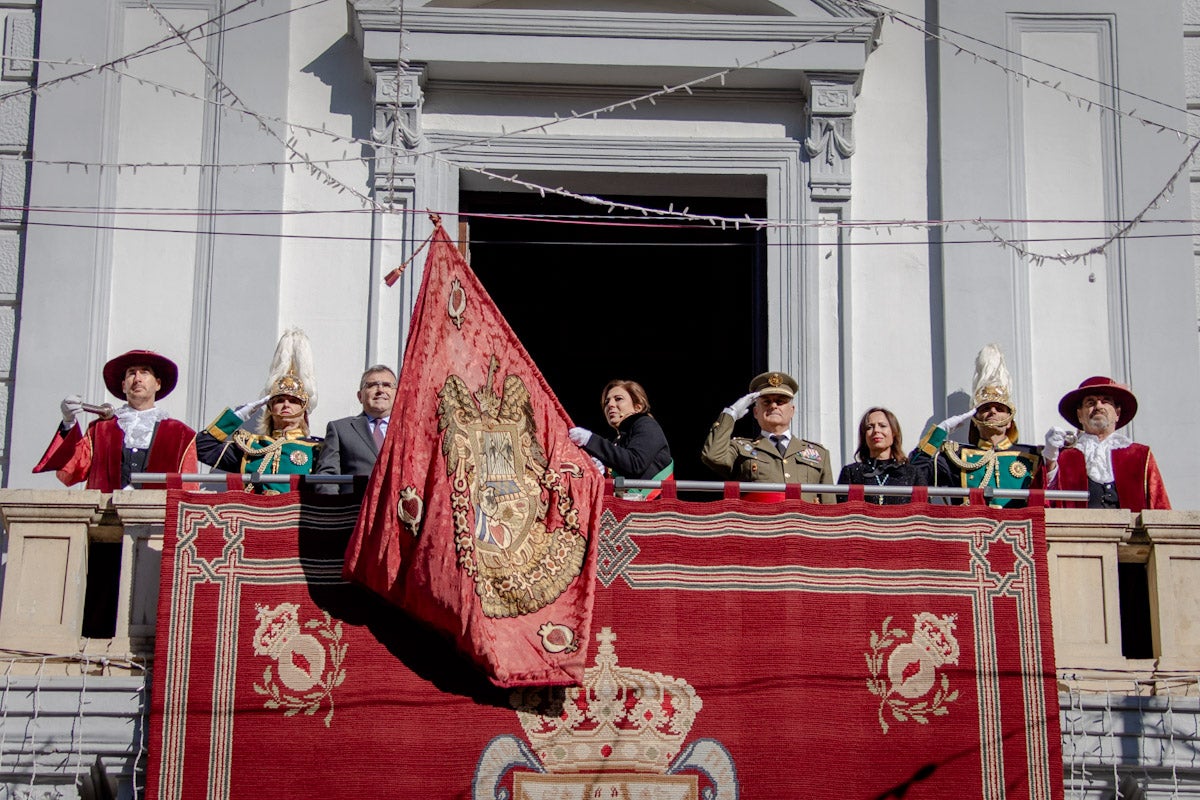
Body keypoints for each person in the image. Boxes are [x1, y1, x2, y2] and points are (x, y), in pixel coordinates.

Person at [34, 349, 197, 491]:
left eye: (145, 372)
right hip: (104, 522)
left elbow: (189, 489)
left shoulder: (181, 434)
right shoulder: (99, 430)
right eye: (132, 373)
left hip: (157, 523)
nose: (137, 378)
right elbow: (69, 473)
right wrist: (68, 422)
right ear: (124, 385)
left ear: (158, 384)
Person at [910, 344, 1041, 508]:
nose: (992, 411)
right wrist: (939, 434)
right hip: (968, 531)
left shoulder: (1031, 455)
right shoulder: (954, 457)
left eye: (999, 409)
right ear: (975, 419)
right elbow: (913, 476)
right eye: (985, 408)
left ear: (1009, 421)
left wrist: (1052, 459)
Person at [196, 329, 322, 494]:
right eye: (279, 401)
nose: (285, 405)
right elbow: (202, 447)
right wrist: (240, 415)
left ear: (303, 409)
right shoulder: (251, 446)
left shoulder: (317, 449)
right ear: (270, 408)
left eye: (293, 401)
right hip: (253, 516)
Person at [701, 370, 834, 503]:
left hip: (804, 523)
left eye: (780, 402)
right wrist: (731, 414)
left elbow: (829, 507)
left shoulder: (819, 454)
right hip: (760, 522)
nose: (773, 406)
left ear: (792, 410)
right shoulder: (740, 449)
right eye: (766, 402)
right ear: (756, 412)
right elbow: (712, 456)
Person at [1043, 376, 1170, 511]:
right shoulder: (1064, 456)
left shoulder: (1140, 455)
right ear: (1079, 415)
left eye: (1105, 401)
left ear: (1117, 413)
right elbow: (1047, 501)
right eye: (1090, 403)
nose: (1098, 406)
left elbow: (1160, 507)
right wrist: (1050, 458)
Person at [568, 379, 673, 500]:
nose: (610, 405)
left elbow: (635, 463)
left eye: (618, 399)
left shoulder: (646, 424)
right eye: (607, 402)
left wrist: (591, 440)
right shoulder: (618, 440)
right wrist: (605, 470)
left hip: (650, 509)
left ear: (637, 407)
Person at [313, 365, 397, 495]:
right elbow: (327, 476)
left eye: (387, 385)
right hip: (353, 509)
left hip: (399, 508)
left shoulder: (410, 430)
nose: (380, 390)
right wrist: (334, 510)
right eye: (372, 385)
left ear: (398, 394)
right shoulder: (340, 429)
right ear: (360, 396)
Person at [837, 407, 925, 505]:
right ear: (864, 435)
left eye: (882, 426)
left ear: (894, 433)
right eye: (870, 427)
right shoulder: (850, 472)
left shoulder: (913, 473)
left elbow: (923, 513)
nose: (876, 430)